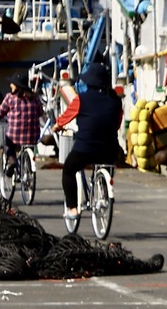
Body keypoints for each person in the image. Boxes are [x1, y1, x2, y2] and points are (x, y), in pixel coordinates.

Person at [53, 64, 126, 221]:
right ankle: (103, 192)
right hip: (110, 149)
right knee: (105, 164)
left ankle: (72, 208)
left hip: (85, 148)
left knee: (69, 170)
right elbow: (117, 123)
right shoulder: (116, 101)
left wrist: (57, 125)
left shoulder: (82, 99)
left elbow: (66, 117)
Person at [0, 79, 44, 181]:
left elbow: (0, 113)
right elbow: (40, 112)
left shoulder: (10, 97)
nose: (10, 85)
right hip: (33, 134)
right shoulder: (34, 96)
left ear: (17, 85)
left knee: (8, 145)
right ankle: (27, 166)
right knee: (28, 145)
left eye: (12, 83)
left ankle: (12, 163)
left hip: (15, 134)